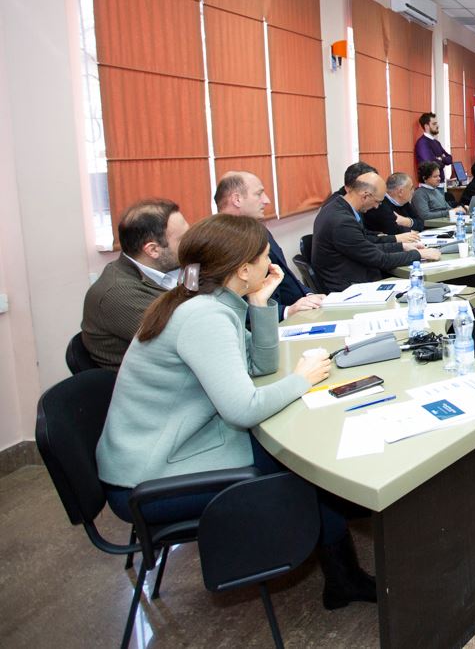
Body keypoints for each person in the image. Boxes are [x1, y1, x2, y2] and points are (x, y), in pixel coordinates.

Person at [96, 214, 375, 609]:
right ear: (243, 270)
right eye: (264, 256)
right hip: (149, 480)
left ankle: (340, 550)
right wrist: (302, 379)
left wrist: (260, 304)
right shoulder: (204, 316)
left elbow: (258, 366)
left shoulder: (208, 302)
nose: (271, 263)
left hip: (171, 448)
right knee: (303, 469)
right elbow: (243, 409)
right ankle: (343, 577)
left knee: (299, 454)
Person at [81, 199, 189, 370]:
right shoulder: (117, 293)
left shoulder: (169, 268)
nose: (190, 244)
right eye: (183, 239)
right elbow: (186, 339)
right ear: (153, 250)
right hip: (154, 380)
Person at [311, 162, 440, 292]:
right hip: (349, 287)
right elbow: (379, 259)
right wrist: (418, 254)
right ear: (365, 196)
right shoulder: (342, 221)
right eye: (377, 201)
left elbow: (365, 244)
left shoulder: (339, 207)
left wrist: (402, 246)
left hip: (353, 276)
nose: (377, 207)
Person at [214, 171, 324, 319]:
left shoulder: (260, 230)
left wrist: (309, 296)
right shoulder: (218, 243)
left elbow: (285, 277)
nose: (267, 200)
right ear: (237, 199)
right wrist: (286, 311)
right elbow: (230, 307)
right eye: (259, 194)